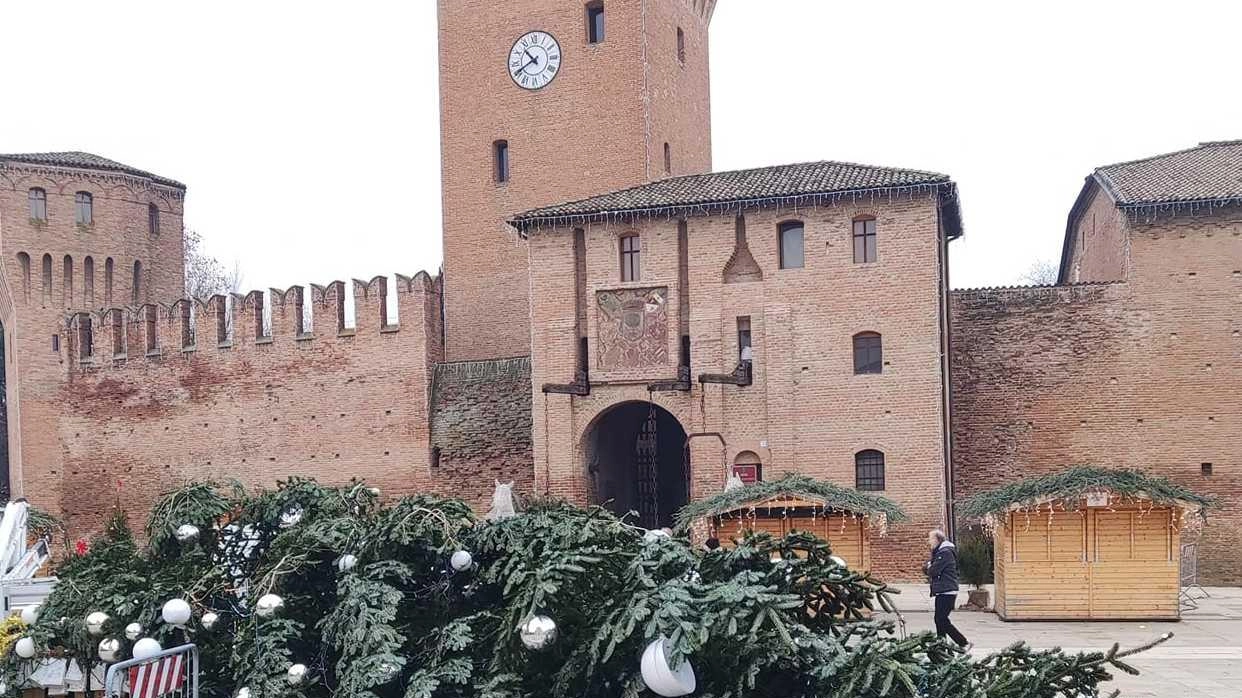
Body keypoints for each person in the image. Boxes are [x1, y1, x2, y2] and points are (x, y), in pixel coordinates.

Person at [924, 529, 970, 650]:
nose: (929, 542)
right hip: (944, 590)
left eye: (930, 539)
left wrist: (929, 566)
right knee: (939, 620)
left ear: (937, 539)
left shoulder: (944, 553)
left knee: (941, 619)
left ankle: (963, 642)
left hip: (947, 590)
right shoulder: (941, 552)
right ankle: (941, 647)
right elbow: (928, 567)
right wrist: (929, 566)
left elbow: (933, 570)